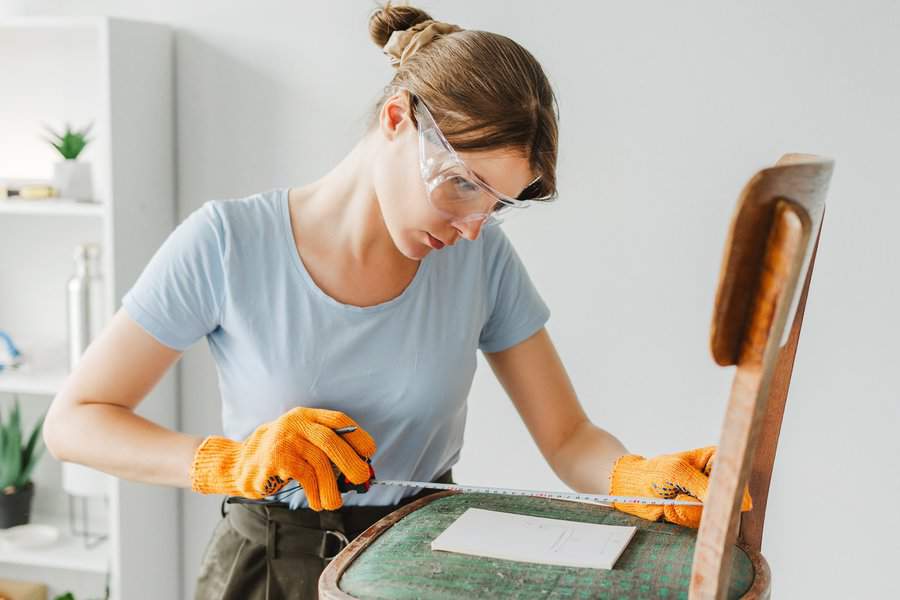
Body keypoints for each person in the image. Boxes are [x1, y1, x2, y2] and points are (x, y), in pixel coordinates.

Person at [42, 4, 751, 598]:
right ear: (395, 118)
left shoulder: (479, 257)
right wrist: (228, 461)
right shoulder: (226, 242)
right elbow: (76, 422)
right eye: (463, 184)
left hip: (416, 564)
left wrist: (633, 474)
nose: (473, 224)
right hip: (266, 576)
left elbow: (568, 440)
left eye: (498, 203)